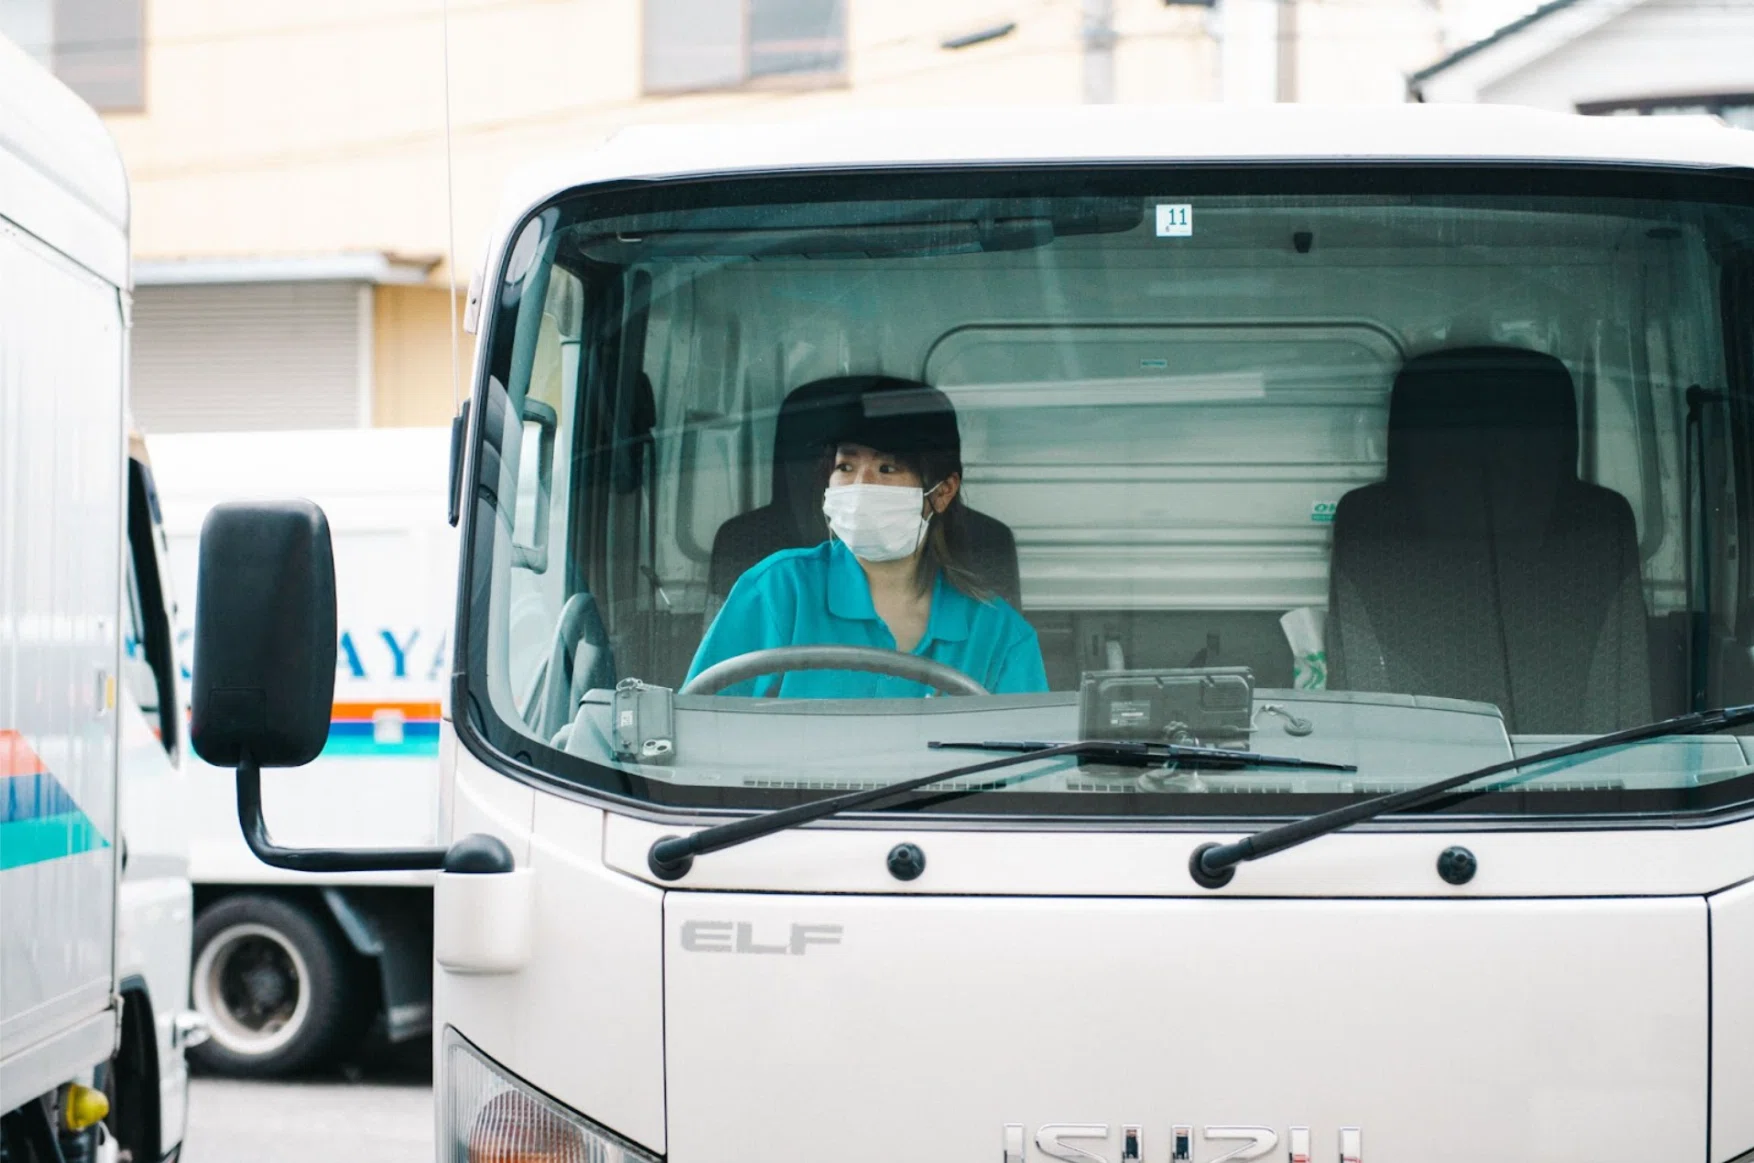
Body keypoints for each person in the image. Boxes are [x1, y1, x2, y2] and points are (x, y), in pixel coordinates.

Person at [686, 379, 1048, 697]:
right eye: (846, 467)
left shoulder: (999, 635)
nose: (860, 487)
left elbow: (1028, 750)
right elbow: (699, 723)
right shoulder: (777, 591)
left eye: (887, 468)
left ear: (942, 492)